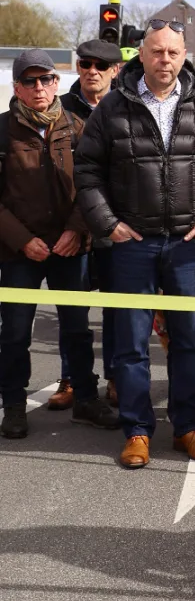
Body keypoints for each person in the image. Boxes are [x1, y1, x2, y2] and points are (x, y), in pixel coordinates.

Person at [74, 22, 195, 469]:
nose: (165, 60)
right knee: (129, 343)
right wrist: (109, 224)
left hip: (186, 245)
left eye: (173, 52)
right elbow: (87, 170)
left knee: (187, 340)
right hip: (132, 245)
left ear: (185, 55)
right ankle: (138, 431)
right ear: (141, 55)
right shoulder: (112, 107)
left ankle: (187, 428)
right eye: (157, 52)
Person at [0, 50, 121, 438]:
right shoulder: (2, 130)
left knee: (76, 328)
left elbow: (95, 182)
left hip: (71, 247)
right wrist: (22, 240)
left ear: (56, 82)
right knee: (16, 332)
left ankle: (85, 398)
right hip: (20, 251)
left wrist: (77, 229)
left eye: (46, 80)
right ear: (17, 87)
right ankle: (14, 406)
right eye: (30, 81)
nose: (39, 88)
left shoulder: (77, 126)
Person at [43, 38, 123, 408]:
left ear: (114, 71)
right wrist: (75, 225)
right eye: (85, 64)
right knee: (72, 309)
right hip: (72, 227)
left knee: (117, 309)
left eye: (101, 66)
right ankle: (72, 378)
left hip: (115, 225)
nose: (92, 71)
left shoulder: (127, 107)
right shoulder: (59, 110)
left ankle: (116, 378)